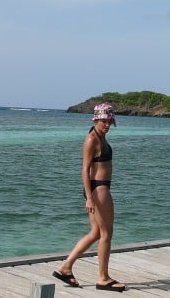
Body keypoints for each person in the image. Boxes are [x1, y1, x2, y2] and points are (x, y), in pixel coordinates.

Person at [53, 103, 126, 292]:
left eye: (109, 121)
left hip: (98, 189)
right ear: (96, 120)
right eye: (103, 121)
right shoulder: (91, 139)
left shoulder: (101, 137)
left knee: (95, 233)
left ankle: (65, 267)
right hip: (98, 190)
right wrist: (89, 197)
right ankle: (103, 278)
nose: (107, 125)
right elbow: (85, 169)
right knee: (107, 234)